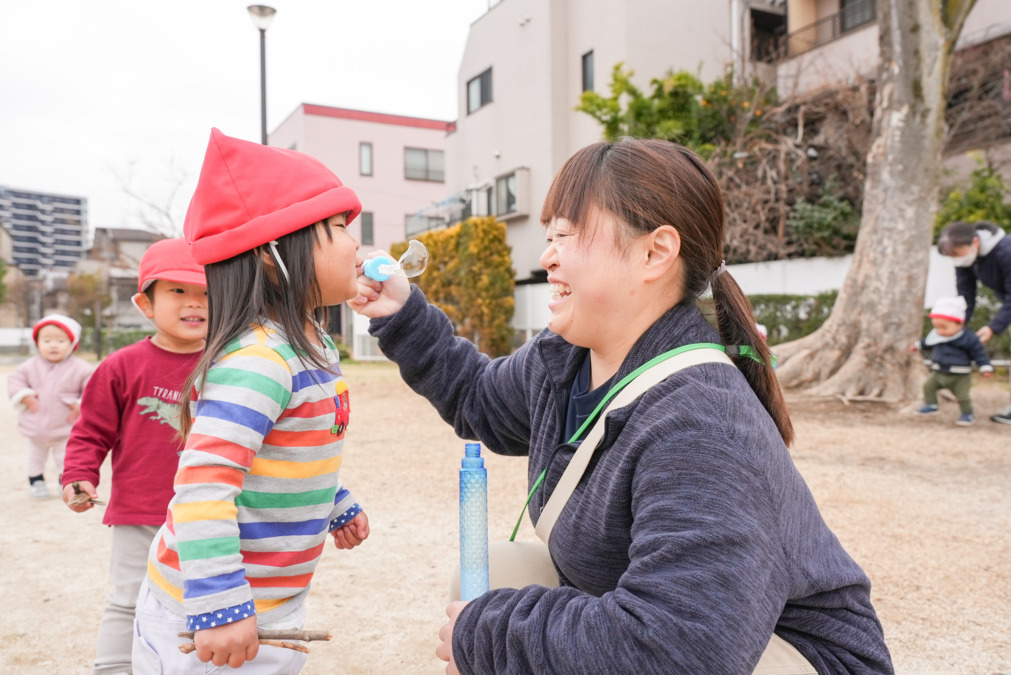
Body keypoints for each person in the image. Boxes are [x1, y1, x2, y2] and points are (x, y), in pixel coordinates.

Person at [353, 138, 893, 674]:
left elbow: (677, 650)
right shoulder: (564, 359)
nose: (547, 257)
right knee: (494, 572)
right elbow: (479, 398)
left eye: (566, 235)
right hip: (683, 628)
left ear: (654, 253)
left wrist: (491, 634)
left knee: (497, 609)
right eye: (549, 236)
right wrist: (401, 312)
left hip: (773, 653)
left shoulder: (703, 422)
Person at [134, 128, 370, 673]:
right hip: (208, 612)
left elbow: (286, 454)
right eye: (337, 227)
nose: (356, 243)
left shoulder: (313, 344)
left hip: (269, 601)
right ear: (272, 256)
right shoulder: (259, 361)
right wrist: (218, 604)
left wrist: (334, 500)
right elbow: (203, 488)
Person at [61, 237, 208, 675]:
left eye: (205, 292)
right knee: (128, 598)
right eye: (177, 291)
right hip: (141, 512)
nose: (193, 303)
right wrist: (79, 473)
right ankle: (113, 668)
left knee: (207, 598)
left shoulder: (231, 364)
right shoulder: (121, 366)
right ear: (145, 303)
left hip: (214, 511)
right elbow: (90, 431)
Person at [8, 313, 93, 499]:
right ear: (37, 343)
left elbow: (92, 390)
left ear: (72, 344)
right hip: (34, 426)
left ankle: (64, 482)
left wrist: (81, 405)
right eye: (46, 340)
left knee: (65, 459)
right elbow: (15, 381)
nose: (53, 345)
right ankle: (36, 482)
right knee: (34, 458)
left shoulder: (81, 368)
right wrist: (25, 396)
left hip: (65, 427)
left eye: (60, 340)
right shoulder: (29, 366)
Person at [937, 220, 1011, 424]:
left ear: (975, 242)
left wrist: (994, 327)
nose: (956, 259)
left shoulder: (1005, 251)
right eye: (951, 256)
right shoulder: (967, 261)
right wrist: (959, 324)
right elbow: (966, 294)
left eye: (957, 253)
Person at [911, 295, 994, 426]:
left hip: (960, 375)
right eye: (937, 328)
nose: (940, 332)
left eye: (944, 328)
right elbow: (927, 343)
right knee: (928, 386)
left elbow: (979, 354)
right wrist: (917, 346)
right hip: (938, 372)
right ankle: (932, 404)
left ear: (959, 323)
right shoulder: (937, 336)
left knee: (962, 397)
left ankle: (967, 413)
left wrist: (985, 367)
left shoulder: (968, 338)